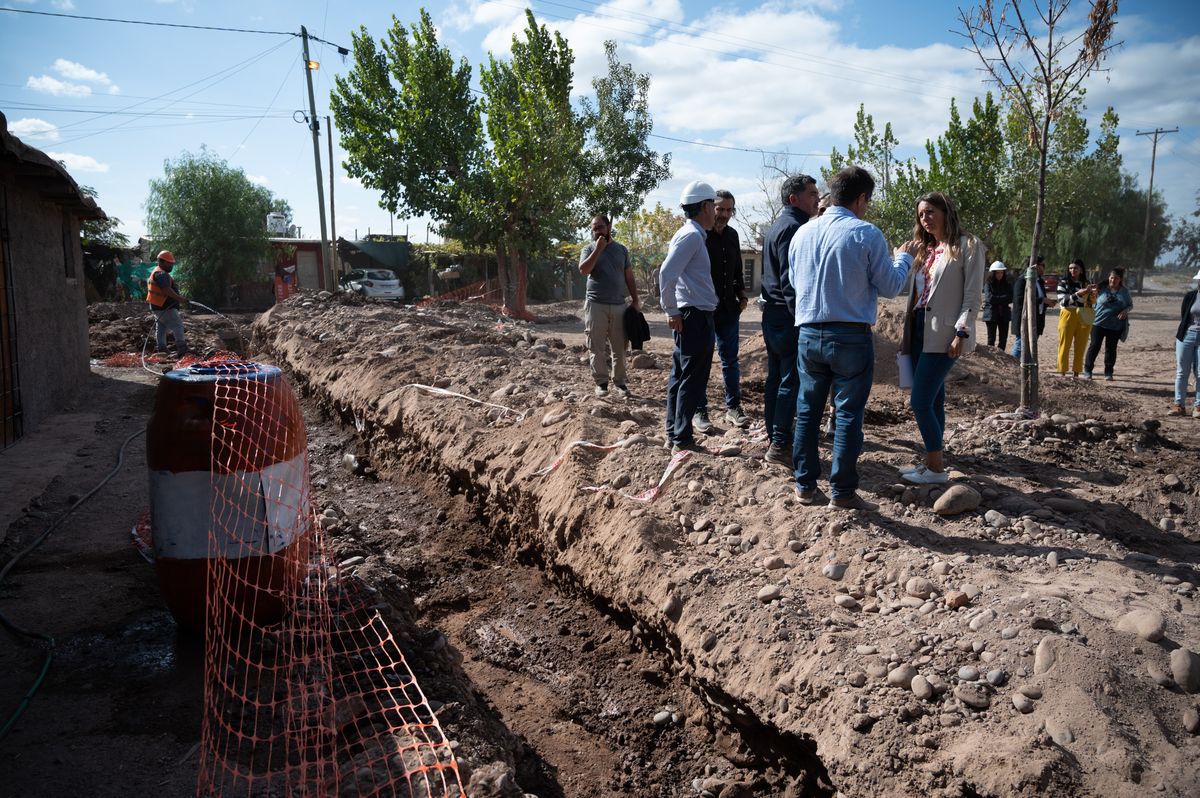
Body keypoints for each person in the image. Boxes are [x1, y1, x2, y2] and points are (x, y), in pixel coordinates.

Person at [788, 166, 918, 510]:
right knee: (847, 414)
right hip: (849, 335)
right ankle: (842, 492)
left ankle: (804, 486)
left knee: (807, 411)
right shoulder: (866, 233)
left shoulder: (803, 233)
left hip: (808, 333)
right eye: (868, 201)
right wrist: (904, 258)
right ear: (861, 198)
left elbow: (796, 282)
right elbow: (891, 286)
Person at [897, 193, 984, 485]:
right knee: (934, 400)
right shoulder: (926, 250)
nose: (926, 219)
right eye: (921, 214)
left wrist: (962, 332)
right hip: (918, 329)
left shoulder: (968, 245)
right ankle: (931, 462)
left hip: (945, 332)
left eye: (931, 211)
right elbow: (915, 294)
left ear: (946, 211)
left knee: (920, 401)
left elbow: (972, 295)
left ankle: (936, 468)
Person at [760, 174, 820, 468]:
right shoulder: (794, 227)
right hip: (787, 316)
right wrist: (802, 318)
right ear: (794, 199)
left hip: (773, 314)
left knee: (776, 378)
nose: (817, 199)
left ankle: (775, 437)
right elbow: (789, 280)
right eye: (812, 194)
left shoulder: (778, 225)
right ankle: (780, 445)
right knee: (789, 381)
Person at [660, 181, 719, 454]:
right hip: (693, 315)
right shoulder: (692, 236)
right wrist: (671, 310)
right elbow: (666, 273)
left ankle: (674, 433)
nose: (716, 212)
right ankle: (681, 439)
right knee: (692, 379)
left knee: (682, 375)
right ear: (705, 206)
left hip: (693, 313)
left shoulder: (691, 234)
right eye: (714, 206)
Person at [694, 190, 748, 431]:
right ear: (710, 208)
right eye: (720, 209)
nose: (724, 214)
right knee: (702, 360)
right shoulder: (698, 236)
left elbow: (737, 270)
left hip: (728, 309)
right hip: (703, 309)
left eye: (729, 210)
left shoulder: (733, 235)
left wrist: (742, 295)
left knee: (730, 361)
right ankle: (699, 410)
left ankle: (733, 408)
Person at [579, 214, 640, 398]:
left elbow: (629, 276)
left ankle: (620, 383)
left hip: (619, 305)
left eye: (600, 227)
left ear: (609, 227)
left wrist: (635, 300)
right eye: (594, 229)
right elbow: (584, 270)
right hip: (595, 304)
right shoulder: (588, 249)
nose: (597, 231)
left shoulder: (621, 250)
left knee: (620, 347)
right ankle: (601, 384)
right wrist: (598, 250)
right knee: (596, 346)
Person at [1083, 267, 1133, 381]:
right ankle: (1088, 370)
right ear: (1109, 278)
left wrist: (1125, 310)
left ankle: (1108, 372)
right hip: (1098, 323)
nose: (1113, 280)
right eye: (1111, 278)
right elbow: (1089, 300)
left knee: (1111, 349)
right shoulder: (1101, 289)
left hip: (1115, 326)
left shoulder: (1124, 292)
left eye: (1116, 278)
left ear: (1120, 280)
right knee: (1094, 346)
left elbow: (1130, 305)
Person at [1055, 258, 1096, 377]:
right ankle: (1062, 372)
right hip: (1068, 315)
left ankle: (1076, 374)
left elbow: (1091, 302)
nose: (1073, 270)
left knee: (1081, 346)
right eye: (1071, 268)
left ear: (1081, 270)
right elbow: (1063, 301)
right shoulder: (1063, 283)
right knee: (1064, 344)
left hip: (1084, 316)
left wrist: (1093, 294)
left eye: (1075, 268)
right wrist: (1078, 294)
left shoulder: (1087, 283)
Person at [1010, 255, 1055, 360]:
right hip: (1025, 320)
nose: (1044, 268)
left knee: (1031, 348)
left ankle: (1026, 368)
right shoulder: (1022, 280)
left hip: (1037, 320)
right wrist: (1042, 300)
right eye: (1043, 265)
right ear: (1036, 266)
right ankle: (1012, 367)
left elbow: (1039, 298)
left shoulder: (1039, 281)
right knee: (1020, 346)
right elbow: (1020, 300)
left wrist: (1047, 302)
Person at [146, 250, 189, 357]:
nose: (171, 266)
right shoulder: (161, 273)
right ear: (162, 262)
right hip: (165, 306)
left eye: (172, 263)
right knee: (177, 325)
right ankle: (182, 349)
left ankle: (162, 349)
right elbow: (166, 289)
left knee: (161, 327)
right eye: (169, 263)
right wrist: (180, 299)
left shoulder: (157, 271)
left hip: (157, 306)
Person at [1170, 269, 1200, 417]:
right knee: (1182, 372)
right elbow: (1184, 317)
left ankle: (1198, 406)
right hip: (1186, 336)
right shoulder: (1190, 296)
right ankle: (1179, 405)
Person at [981, 262, 1013, 349]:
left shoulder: (1007, 284)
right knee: (991, 339)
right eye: (998, 273)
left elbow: (1010, 298)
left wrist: (997, 298)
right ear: (993, 273)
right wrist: (1003, 298)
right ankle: (991, 356)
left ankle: (1001, 356)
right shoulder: (988, 284)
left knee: (1003, 340)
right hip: (991, 316)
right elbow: (989, 298)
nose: (1000, 275)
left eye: (1001, 272)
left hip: (1004, 315)